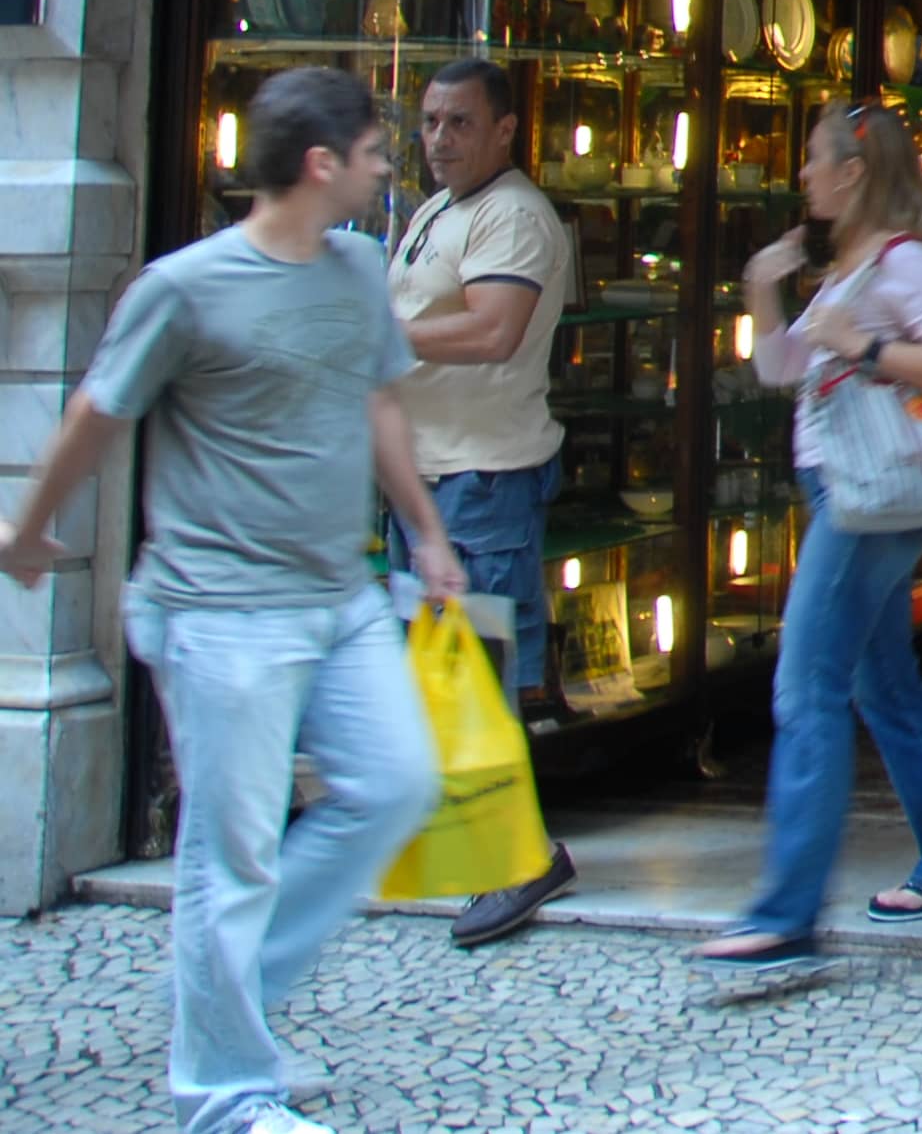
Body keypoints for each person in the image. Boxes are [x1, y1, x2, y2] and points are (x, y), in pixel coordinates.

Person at [0, 66, 455, 1134]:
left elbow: (378, 401)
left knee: (397, 783)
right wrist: (27, 528)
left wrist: (427, 532)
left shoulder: (357, 268)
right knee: (233, 853)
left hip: (338, 596)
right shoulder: (185, 287)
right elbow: (97, 410)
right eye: (374, 153)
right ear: (321, 164)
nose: (387, 168)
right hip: (219, 612)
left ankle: (229, 1001)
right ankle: (225, 1092)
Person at [695, 102, 922, 967]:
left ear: (854, 171)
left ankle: (787, 910)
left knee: (807, 687)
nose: (802, 175)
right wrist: (764, 289)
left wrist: (863, 344)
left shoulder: (901, 264)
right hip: (857, 493)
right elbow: (781, 366)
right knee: (883, 679)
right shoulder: (855, 268)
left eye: (813, 159)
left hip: (865, 500)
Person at [384, 57, 582, 944]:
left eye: (459, 121)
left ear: (505, 128)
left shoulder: (515, 215)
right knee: (443, 672)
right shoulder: (438, 210)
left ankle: (523, 857)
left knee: (478, 674)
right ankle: (475, 842)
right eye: (430, 120)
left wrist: (381, 335)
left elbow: (496, 328)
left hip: (483, 475)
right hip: (430, 473)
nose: (439, 138)